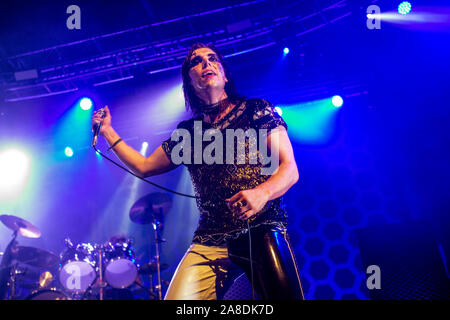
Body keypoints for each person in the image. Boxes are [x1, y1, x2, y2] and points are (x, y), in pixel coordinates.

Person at [92, 42, 304, 300]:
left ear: (224, 75)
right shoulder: (188, 133)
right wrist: (108, 132)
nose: (206, 64)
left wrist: (261, 193)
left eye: (213, 59)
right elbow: (144, 167)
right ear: (190, 82)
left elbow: (289, 169)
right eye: (196, 61)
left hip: (260, 227)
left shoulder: (256, 110)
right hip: (210, 239)